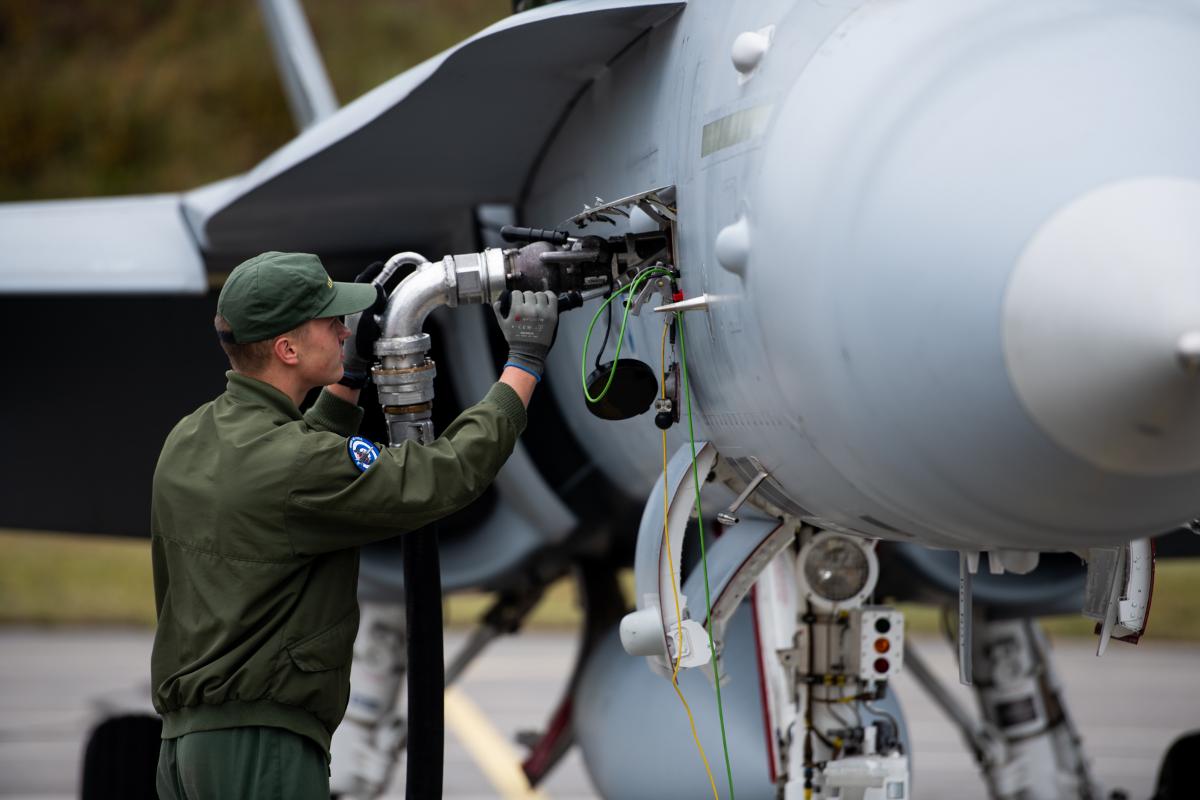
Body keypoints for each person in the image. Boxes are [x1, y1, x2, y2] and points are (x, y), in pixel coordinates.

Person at [151, 251, 558, 799]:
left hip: (185, 750)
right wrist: (524, 364)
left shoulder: (191, 436)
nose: (344, 331)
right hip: (262, 752)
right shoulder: (295, 466)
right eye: (330, 323)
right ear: (287, 349)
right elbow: (443, 475)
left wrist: (353, 373)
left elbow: (297, 473)